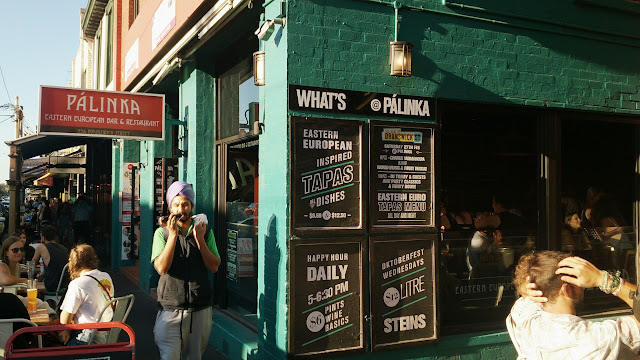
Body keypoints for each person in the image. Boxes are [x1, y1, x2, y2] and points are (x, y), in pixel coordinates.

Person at [507, 251, 640, 359]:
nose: (584, 287)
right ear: (566, 289)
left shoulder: (524, 316)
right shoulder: (596, 339)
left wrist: (526, 287)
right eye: (579, 282)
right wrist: (603, 279)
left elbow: (525, 292)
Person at [152, 181, 221, 360]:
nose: (181, 209)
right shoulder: (162, 233)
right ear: (170, 207)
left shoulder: (205, 231)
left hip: (199, 308)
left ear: (191, 206)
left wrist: (200, 239)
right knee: (169, 357)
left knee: (194, 357)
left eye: (185, 204)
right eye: (176, 205)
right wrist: (173, 236)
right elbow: (161, 268)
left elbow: (214, 267)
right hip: (170, 309)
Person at [59, 244, 114, 345]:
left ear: (73, 263)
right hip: (107, 335)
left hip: (86, 338)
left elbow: (64, 319)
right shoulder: (106, 276)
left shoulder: (78, 284)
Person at [32, 225, 69, 292]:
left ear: (43, 237)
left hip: (52, 285)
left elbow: (32, 265)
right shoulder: (64, 248)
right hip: (65, 285)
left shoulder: (41, 247)